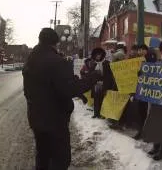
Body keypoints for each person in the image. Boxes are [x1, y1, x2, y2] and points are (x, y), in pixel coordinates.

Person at [22, 28, 99, 170]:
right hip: (54, 121)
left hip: (36, 118)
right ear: (55, 43)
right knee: (60, 159)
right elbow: (69, 88)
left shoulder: (30, 60)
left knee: (43, 156)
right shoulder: (57, 61)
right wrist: (92, 77)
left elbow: (48, 86)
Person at [90, 47, 118, 118]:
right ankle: (96, 113)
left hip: (105, 83)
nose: (98, 56)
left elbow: (109, 75)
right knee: (96, 99)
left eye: (99, 54)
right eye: (97, 55)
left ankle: (103, 114)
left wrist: (106, 82)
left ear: (102, 55)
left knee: (103, 99)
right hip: (96, 84)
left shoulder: (107, 63)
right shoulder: (92, 64)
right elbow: (90, 75)